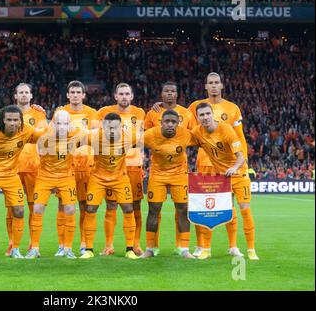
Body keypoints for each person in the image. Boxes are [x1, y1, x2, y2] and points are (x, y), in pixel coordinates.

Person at [188, 72, 250, 259]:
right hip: (204, 163)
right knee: (203, 207)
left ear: (222, 85)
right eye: (210, 83)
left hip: (227, 166)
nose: (213, 86)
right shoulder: (194, 107)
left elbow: (239, 137)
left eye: (216, 83)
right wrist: (162, 107)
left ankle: (232, 246)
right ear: (205, 86)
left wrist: (243, 161)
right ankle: (202, 246)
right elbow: (184, 128)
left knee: (229, 205)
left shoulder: (232, 108)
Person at [0, 105, 45, 260]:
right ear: (2, 121)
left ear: (20, 121)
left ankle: (15, 249)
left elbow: (44, 136)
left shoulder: (26, 130)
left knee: (19, 211)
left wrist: (51, 118)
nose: (12, 123)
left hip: (11, 176)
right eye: (9, 120)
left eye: (16, 120)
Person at [80, 112, 139, 260]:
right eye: (108, 128)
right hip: (98, 177)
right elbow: (70, 138)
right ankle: (88, 249)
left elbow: (153, 140)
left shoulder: (131, 136)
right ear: (102, 127)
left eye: (115, 128)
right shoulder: (93, 136)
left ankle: (129, 249)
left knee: (128, 208)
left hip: (120, 177)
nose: (111, 131)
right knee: (91, 209)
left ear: (121, 127)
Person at [147, 81, 196, 256]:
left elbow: (195, 136)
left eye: (172, 91)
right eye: (166, 91)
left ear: (177, 94)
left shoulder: (187, 114)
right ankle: (151, 248)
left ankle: (182, 247)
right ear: (161, 94)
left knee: (182, 209)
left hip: (179, 170)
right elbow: (141, 139)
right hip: (157, 170)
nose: (169, 94)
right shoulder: (153, 113)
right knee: (154, 210)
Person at [96, 83, 145, 256]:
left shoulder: (139, 113)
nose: (124, 97)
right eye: (121, 94)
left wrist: (143, 158)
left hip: (133, 165)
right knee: (111, 205)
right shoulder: (103, 113)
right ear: (115, 96)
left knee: (135, 206)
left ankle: (135, 244)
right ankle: (109, 245)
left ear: (131, 96)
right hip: (113, 166)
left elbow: (140, 139)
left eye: (127, 94)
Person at [26, 110, 83, 259]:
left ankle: (67, 248)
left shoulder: (77, 132)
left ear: (70, 124)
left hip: (66, 176)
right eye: (59, 123)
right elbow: (25, 133)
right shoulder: (43, 133)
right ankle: (35, 248)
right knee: (37, 209)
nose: (62, 127)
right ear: (53, 123)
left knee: (70, 209)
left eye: (65, 123)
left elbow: (96, 133)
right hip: (45, 176)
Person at [54, 80, 98, 256]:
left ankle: (83, 242)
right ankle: (62, 244)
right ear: (67, 95)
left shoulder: (92, 114)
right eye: (72, 92)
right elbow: (53, 137)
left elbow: (96, 139)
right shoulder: (60, 112)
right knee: (62, 205)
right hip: (66, 167)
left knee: (84, 205)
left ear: (83, 95)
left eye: (78, 92)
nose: (75, 95)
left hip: (87, 166)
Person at [5, 83, 47, 256]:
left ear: (31, 96)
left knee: (33, 207)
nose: (23, 95)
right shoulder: (7, 114)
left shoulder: (39, 113)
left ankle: (33, 243)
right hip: (12, 167)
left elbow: (43, 137)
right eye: (20, 92)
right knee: (11, 208)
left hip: (33, 167)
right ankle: (12, 243)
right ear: (15, 96)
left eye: (26, 92)